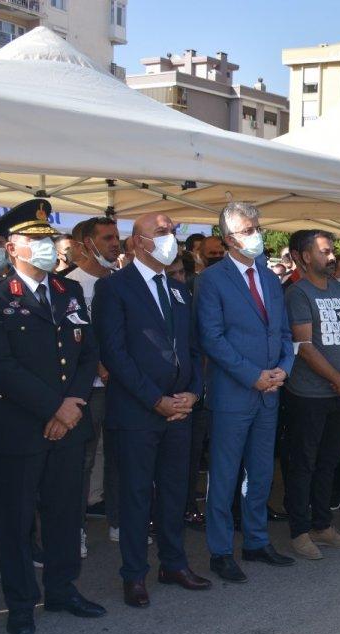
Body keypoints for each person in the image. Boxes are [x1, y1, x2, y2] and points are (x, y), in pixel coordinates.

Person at [0, 200, 106, 634]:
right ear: (13, 249)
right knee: (16, 520)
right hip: (18, 429)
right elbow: (0, 365)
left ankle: (63, 589)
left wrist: (70, 407)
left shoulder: (68, 292)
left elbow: (87, 355)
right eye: (38, 241)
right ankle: (20, 602)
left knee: (66, 513)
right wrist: (55, 407)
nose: (49, 247)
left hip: (68, 425)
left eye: (50, 239)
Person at [93, 213, 212, 607]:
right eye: (161, 233)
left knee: (176, 491)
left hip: (179, 410)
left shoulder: (179, 290)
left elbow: (193, 349)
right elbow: (115, 353)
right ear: (138, 243)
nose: (170, 239)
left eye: (172, 232)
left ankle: (173, 563)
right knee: (136, 495)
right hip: (138, 412)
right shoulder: (114, 289)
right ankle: (134, 573)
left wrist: (192, 394)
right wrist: (155, 400)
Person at [194, 201, 296, 584]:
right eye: (247, 229)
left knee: (261, 471)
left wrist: (282, 370)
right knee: (224, 474)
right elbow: (212, 339)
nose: (256, 234)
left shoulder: (270, 278)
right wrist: (253, 375)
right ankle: (220, 551)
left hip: (270, 390)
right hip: (233, 393)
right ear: (227, 239)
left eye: (257, 226)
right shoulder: (212, 280)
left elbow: (285, 334)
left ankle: (255, 541)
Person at [281, 229, 340, 560]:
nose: (332, 256)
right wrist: (338, 379)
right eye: (324, 251)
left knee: (329, 462)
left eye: (332, 250)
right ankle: (299, 531)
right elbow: (305, 347)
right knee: (303, 463)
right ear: (302, 256)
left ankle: (322, 525)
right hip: (309, 395)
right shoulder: (297, 293)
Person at [65, 217, 122, 550]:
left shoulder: (120, 282)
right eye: (107, 237)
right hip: (86, 390)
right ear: (86, 244)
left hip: (121, 387)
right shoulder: (68, 285)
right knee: (83, 460)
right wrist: (98, 364)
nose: (116, 243)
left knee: (118, 457)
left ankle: (118, 522)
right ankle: (76, 529)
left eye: (117, 237)